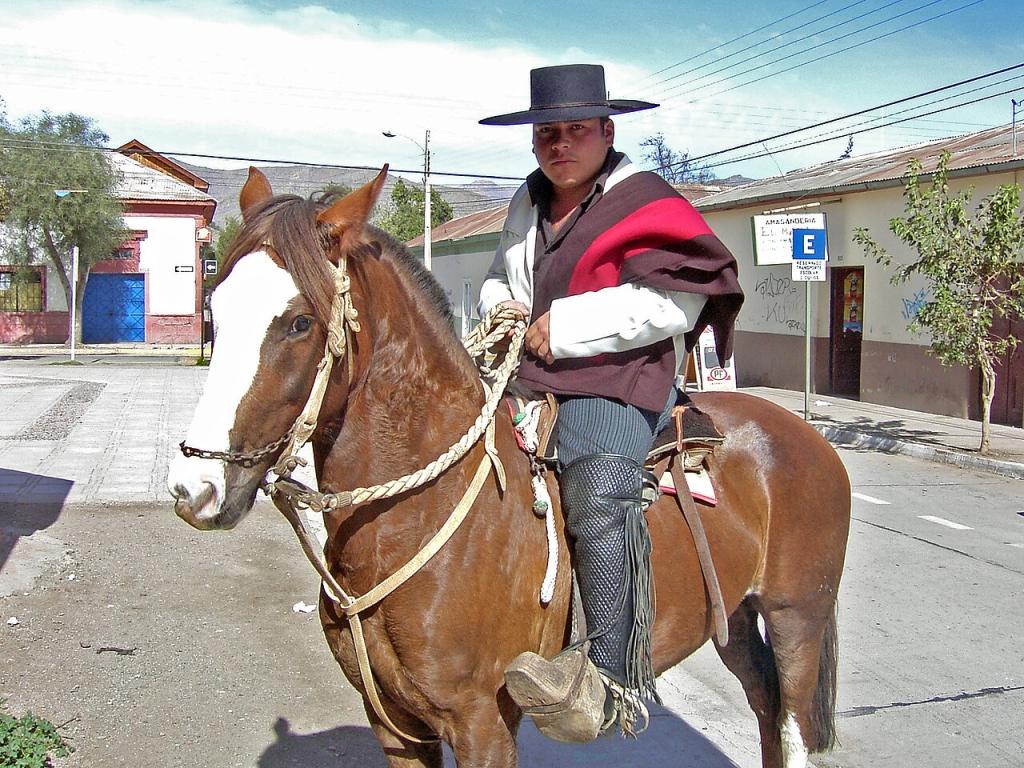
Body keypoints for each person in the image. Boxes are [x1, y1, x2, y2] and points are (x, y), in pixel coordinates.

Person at [477, 64, 743, 742]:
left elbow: (676, 302)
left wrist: (564, 326)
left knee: (597, 488)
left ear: (607, 131)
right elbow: (499, 274)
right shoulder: (528, 199)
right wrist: (504, 306)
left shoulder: (646, 200)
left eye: (575, 129)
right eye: (547, 133)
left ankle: (608, 675)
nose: (559, 143)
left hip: (617, 375)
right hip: (530, 367)